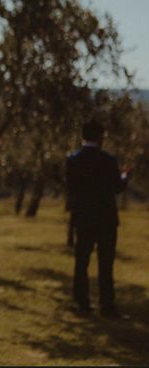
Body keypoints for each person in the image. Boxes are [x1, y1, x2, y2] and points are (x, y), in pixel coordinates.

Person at [65, 120, 131, 319]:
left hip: (83, 217)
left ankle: (82, 304)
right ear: (100, 136)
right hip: (105, 219)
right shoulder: (108, 160)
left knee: (81, 261)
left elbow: (71, 188)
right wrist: (125, 176)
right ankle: (107, 306)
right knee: (105, 263)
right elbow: (117, 188)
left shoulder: (73, 159)